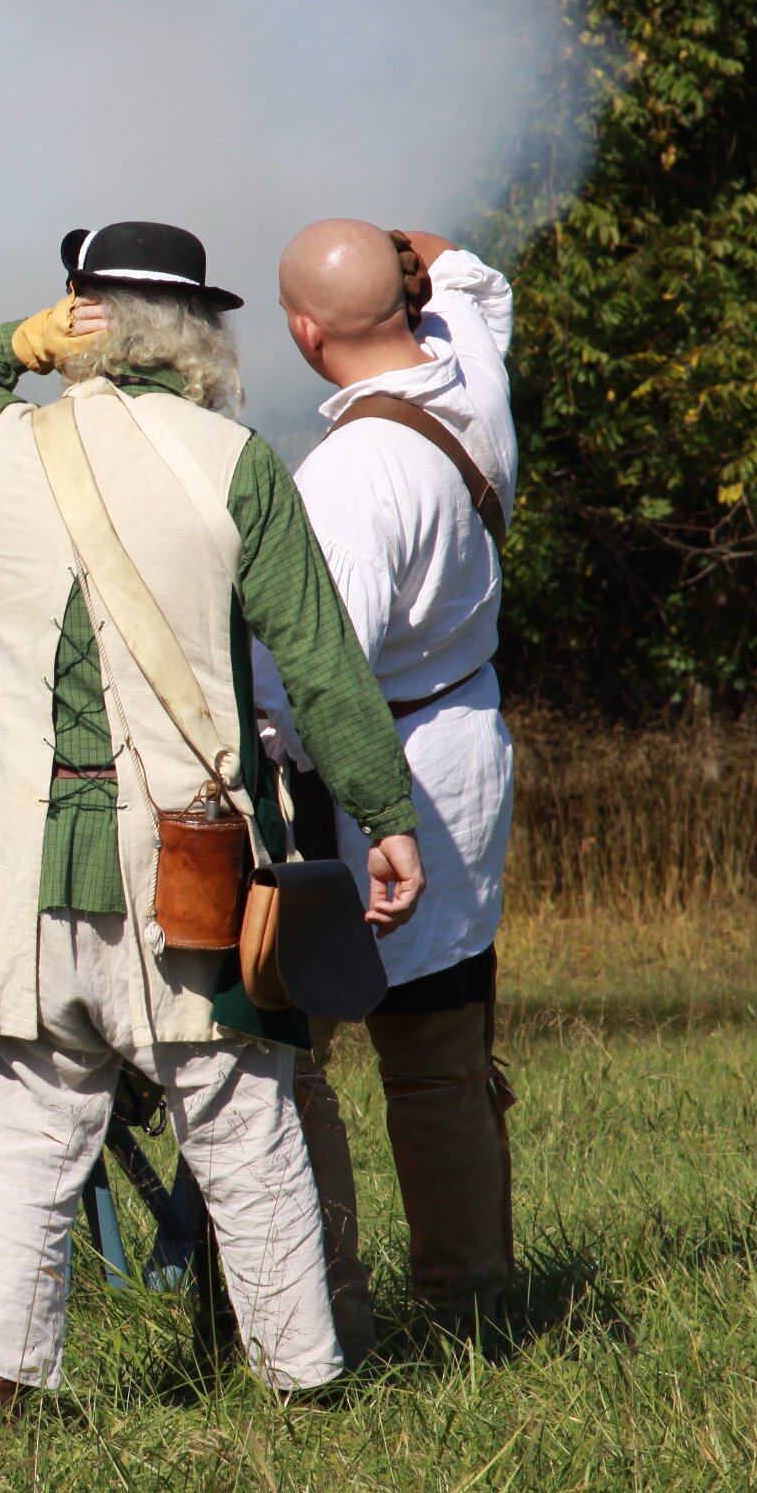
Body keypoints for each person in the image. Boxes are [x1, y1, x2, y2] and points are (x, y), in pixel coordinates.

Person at [0, 220, 425, 1427]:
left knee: (18, 1141)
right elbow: (322, 664)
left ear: (81, 320)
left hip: (17, 875)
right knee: (242, 1125)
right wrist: (386, 814)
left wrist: (14, 342)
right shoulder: (238, 462)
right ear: (199, 336)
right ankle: (303, 1395)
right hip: (185, 866)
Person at [259, 221, 519, 1354]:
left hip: (374, 776)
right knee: (443, 1061)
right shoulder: (468, 368)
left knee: (288, 1059)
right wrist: (412, 256)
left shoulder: (350, 475)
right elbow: (473, 279)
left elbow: (323, 675)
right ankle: (475, 1313)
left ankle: (330, 1318)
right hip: (464, 742)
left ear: (304, 333)